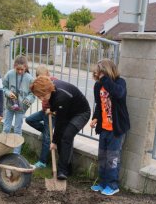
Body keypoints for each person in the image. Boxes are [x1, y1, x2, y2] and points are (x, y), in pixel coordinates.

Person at [30, 76, 91, 180]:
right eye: (38, 96)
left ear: (48, 89)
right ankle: (67, 169)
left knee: (66, 137)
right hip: (68, 111)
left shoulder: (61, 96)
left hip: (81, 113)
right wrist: (52, 109)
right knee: (62, 137)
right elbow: (55, 102)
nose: (41, 99)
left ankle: (62, 171)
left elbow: (60, 122)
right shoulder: (52, 89)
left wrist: (53, 141)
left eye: (42, 95)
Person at [89, 59, 130, 196]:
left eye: (101, 72)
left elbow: (119, 94)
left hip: (116, 129)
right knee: (102, 157)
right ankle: (103, 183)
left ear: (107, 71)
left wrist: (105, 80)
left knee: (112, 158)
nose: (98, 75)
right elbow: (99, 105)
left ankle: (113, 185)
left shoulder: (120, 83)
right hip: (104, 128)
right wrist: (95, 118)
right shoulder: (98, 86)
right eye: (98, 72)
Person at [25, 65, 57, 169]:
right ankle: (46, 131)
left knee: (47, 139)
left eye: (44, 77)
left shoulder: (53, 83)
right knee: (29, 120)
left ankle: (42, 162)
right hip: (44, 112)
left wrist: (52, 111)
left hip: (51, 114)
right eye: (39, 78)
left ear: (48, 74)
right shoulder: (38, 84)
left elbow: (57, 99)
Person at [2, 55, 35, 154]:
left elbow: (33, 93)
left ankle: (16, 153)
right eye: (18, 69)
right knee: (6, 128)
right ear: (14, 66)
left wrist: (28, 99)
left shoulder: (29, 78)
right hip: (10, 106)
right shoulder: (9, 74)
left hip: (21, 108)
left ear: (26, 67)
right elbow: (3, 87)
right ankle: (2, 150)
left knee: (17, 130)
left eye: (22, 69)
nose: (20, 71)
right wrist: (8, 93)